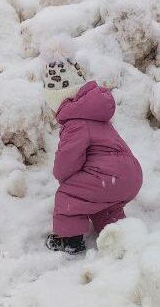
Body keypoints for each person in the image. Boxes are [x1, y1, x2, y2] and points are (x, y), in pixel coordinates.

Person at [42, 57, 143, 255]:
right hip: (129, 176)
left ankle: (69, 241)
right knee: (102, 203)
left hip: (110, 177)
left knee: (69, 195)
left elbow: (67, 162)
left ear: (58, 100)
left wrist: (62, 177)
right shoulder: (94, 115)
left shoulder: (75, 123)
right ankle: (115, 233)